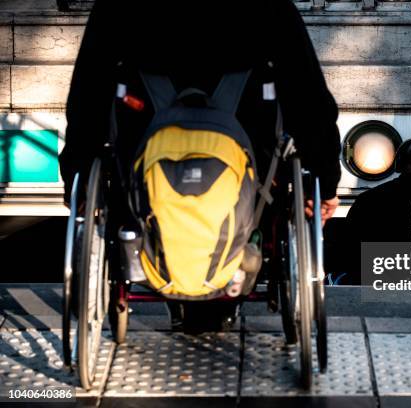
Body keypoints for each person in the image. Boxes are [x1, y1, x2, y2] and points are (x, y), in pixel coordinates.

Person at [59, 0, 341, 331]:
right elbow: (308, 98)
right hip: (250, 170)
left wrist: (76, 175)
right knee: (267, 168)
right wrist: (325, 181)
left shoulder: (119, 7)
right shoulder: (270, 8)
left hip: (145, 156)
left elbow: (88, 95)